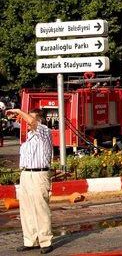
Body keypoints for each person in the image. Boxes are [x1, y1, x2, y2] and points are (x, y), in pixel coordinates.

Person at [6, 108, 53, 254]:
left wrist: (19, 111)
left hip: (39, 174)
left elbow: (31, 121)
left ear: (39, 119)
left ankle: (45, 241)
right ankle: (31, 240)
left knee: (40, 208)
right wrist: (18, 116)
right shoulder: (30, 136)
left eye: (30, 118)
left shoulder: (44, 131)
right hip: (26, 174)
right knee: (26, 209)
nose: (27, 121)